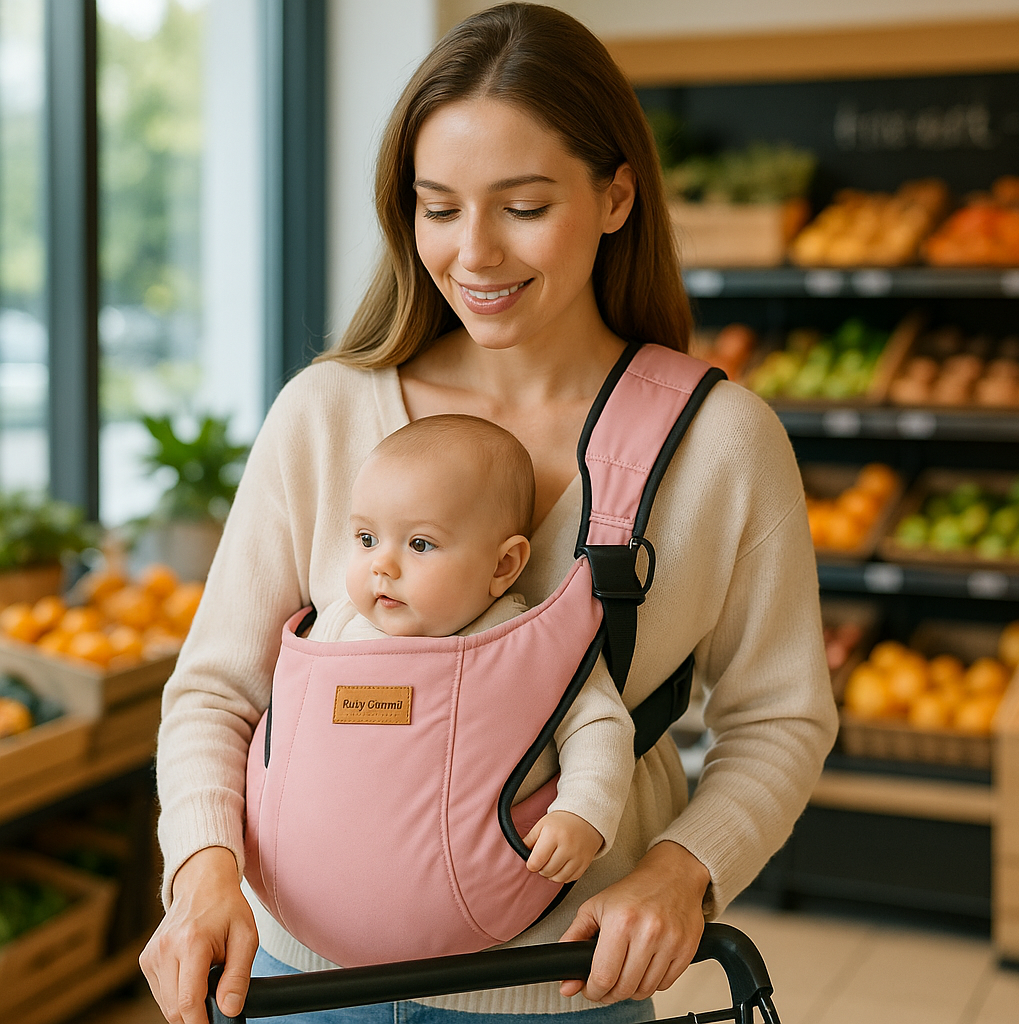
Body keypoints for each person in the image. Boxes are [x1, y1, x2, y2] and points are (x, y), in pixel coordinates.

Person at [141, 5, 839, 1024]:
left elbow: (780, 715)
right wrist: (202, 869)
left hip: (556, 992)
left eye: (521, 206)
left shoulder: (720, 444)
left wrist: (684, 869)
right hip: (292, 981)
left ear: (614, 196)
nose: (472, 254)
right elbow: (216, 690)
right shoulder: (328, 413)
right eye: (437, 207)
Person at [308, 412, 636, 884]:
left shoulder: (525, 641)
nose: (382, 564)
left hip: (471, 881)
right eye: (366, 538)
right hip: (333, 863)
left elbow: (599, 724)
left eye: (420, 544)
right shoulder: (339, 626)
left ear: (503, 565)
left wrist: (582, 813)